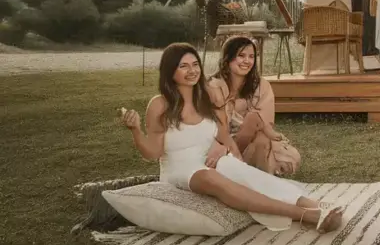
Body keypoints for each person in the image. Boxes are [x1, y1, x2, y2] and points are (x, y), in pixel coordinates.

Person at [120, 42, 342, 232]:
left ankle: (315, 204)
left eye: (195, 64)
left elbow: (222, 132)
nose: (192, 70)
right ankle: (303, 215)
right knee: (211, 178)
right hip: (181, 168)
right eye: (183, 66)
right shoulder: (160, 104)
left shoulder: (207, 96)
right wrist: (136, 131)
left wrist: (222, 147)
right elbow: (153, 152)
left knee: (244, 173)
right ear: (170, 71)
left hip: (212, 158)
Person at [206, 36, 301, 177]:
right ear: (228, 58)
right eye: (241, 56)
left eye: (251, 57)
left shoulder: (261, 86)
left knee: (261, 137)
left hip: (251, 141)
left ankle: (249, 174)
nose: (247, 61)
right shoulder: (213, 85)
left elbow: (264, 123)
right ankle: (240, 169)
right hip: (218, 139)